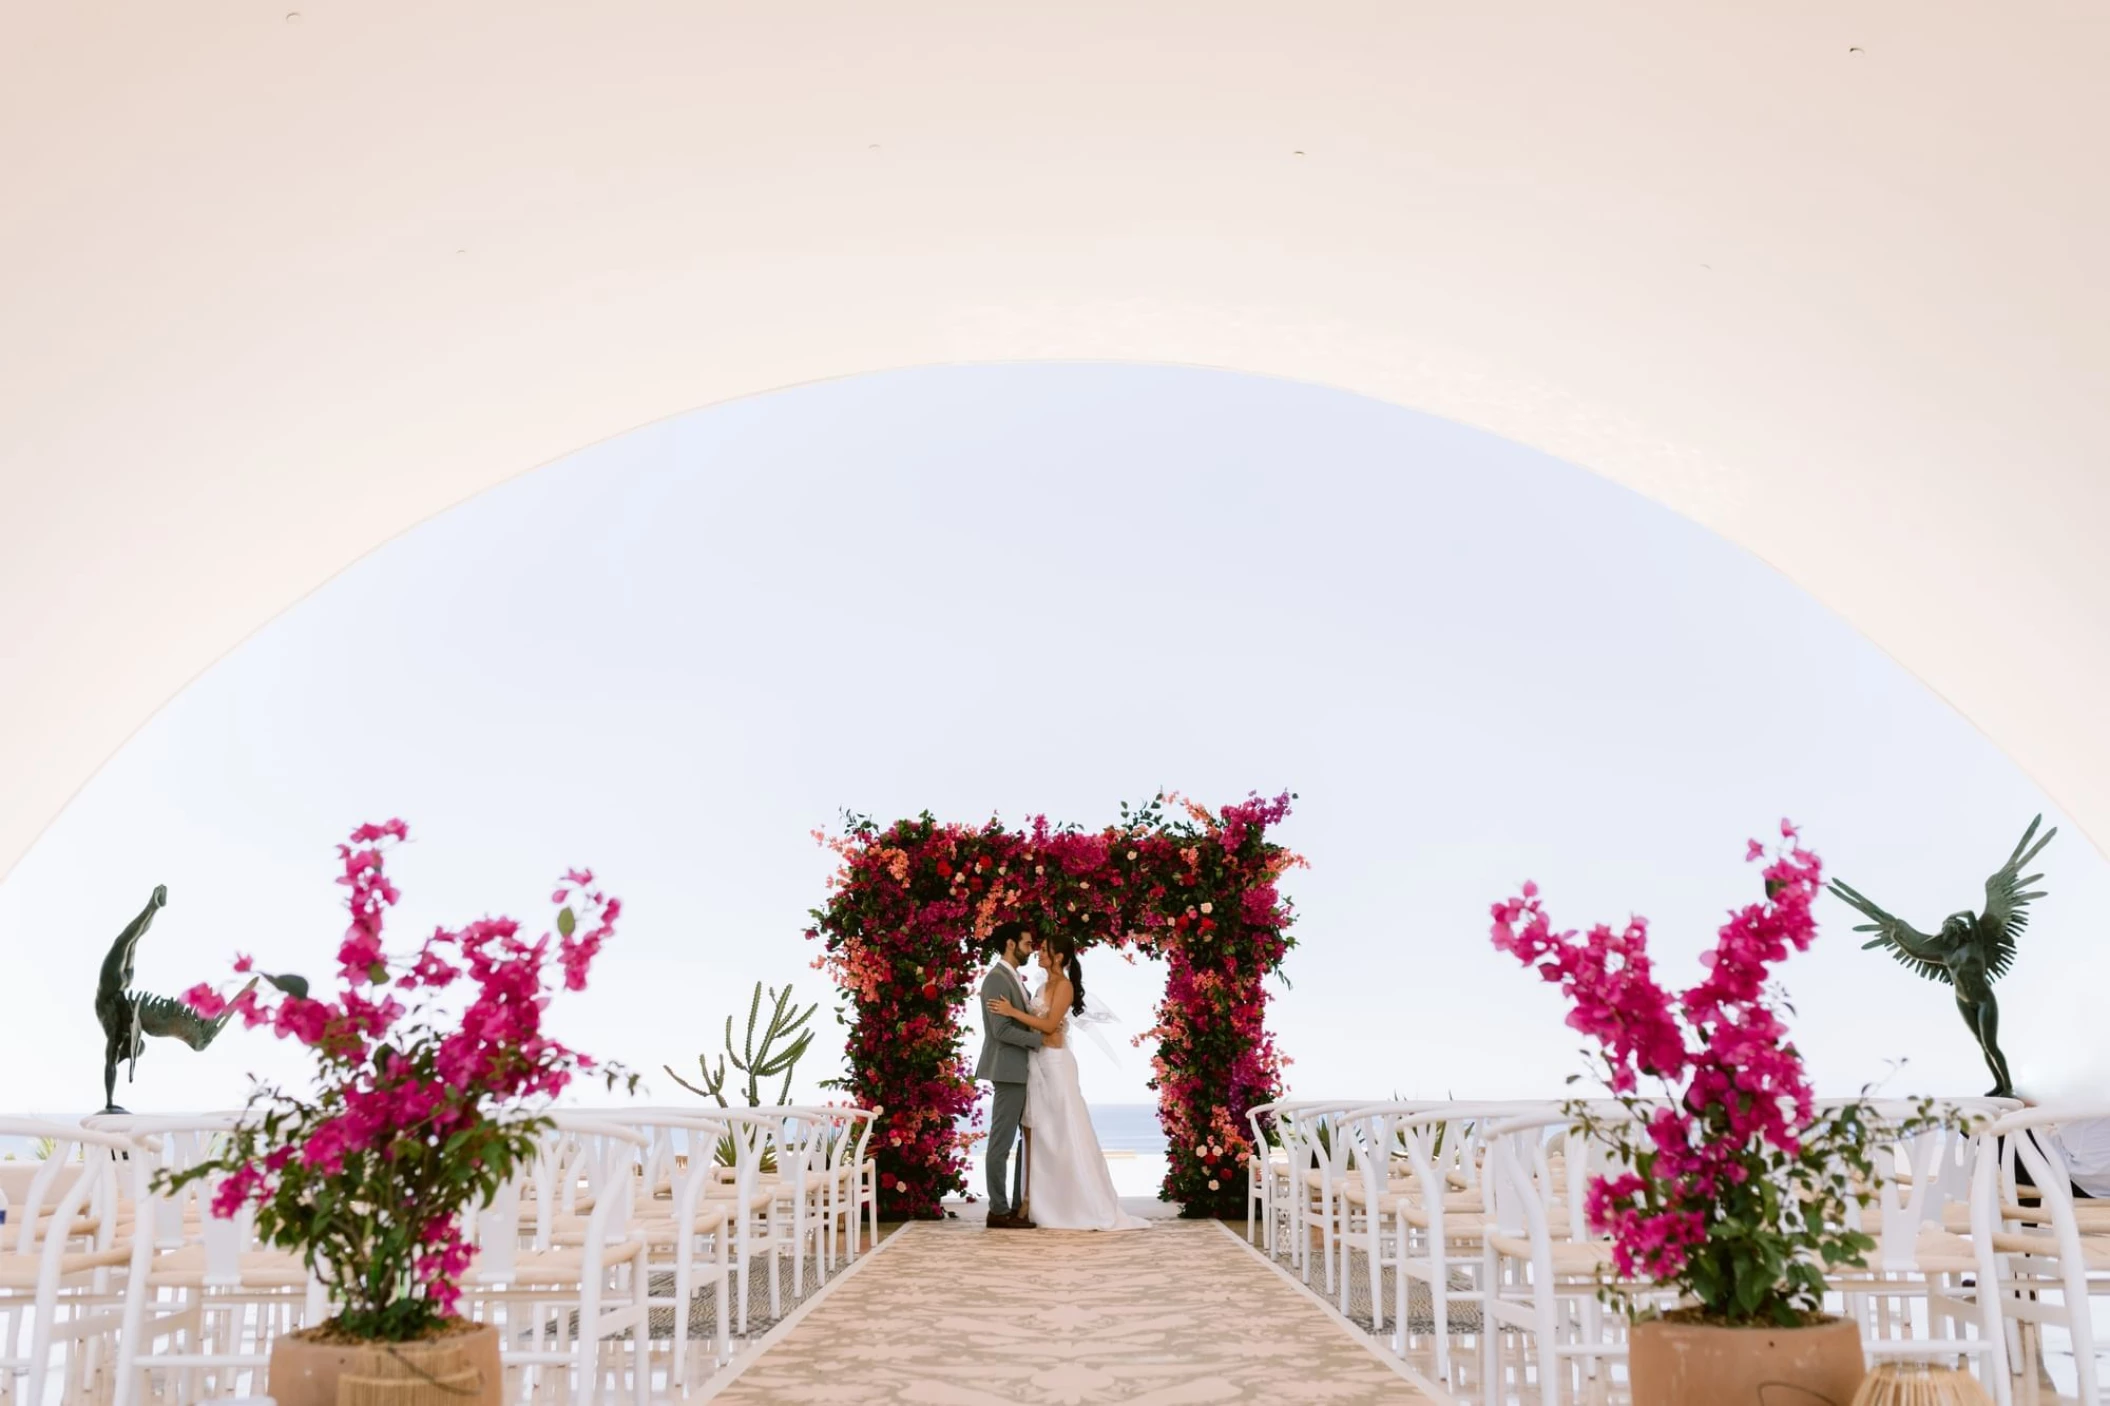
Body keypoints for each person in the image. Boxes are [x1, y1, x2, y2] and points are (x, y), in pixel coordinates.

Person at [988, 931, 1151, 1231]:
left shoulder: (1064, 986)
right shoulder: (1038, 986)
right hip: (1035, 1063)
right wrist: (1025, 1023)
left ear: (1059, 956)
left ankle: (1075, 1201)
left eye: (1045, 950)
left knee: (1064, 1130)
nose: (1038, 953)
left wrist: (1012, 1013)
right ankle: (1030, 1202)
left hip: (1056, 1064)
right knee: (1037, 1132)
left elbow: (1051, 1025)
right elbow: (1045, 1027)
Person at [973, 921, 1042, 1229]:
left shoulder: (1014, 979)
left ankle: (1016, 1206)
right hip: (1009, 1071)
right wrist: (1041, 1040)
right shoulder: (997, 980)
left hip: (1023, 1071)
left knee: (1023, 1143)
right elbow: (1001, 1031)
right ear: (1011, 944)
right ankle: (998, 1211)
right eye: (1028, 944)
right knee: (1001, 1142)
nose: (1032, 949)